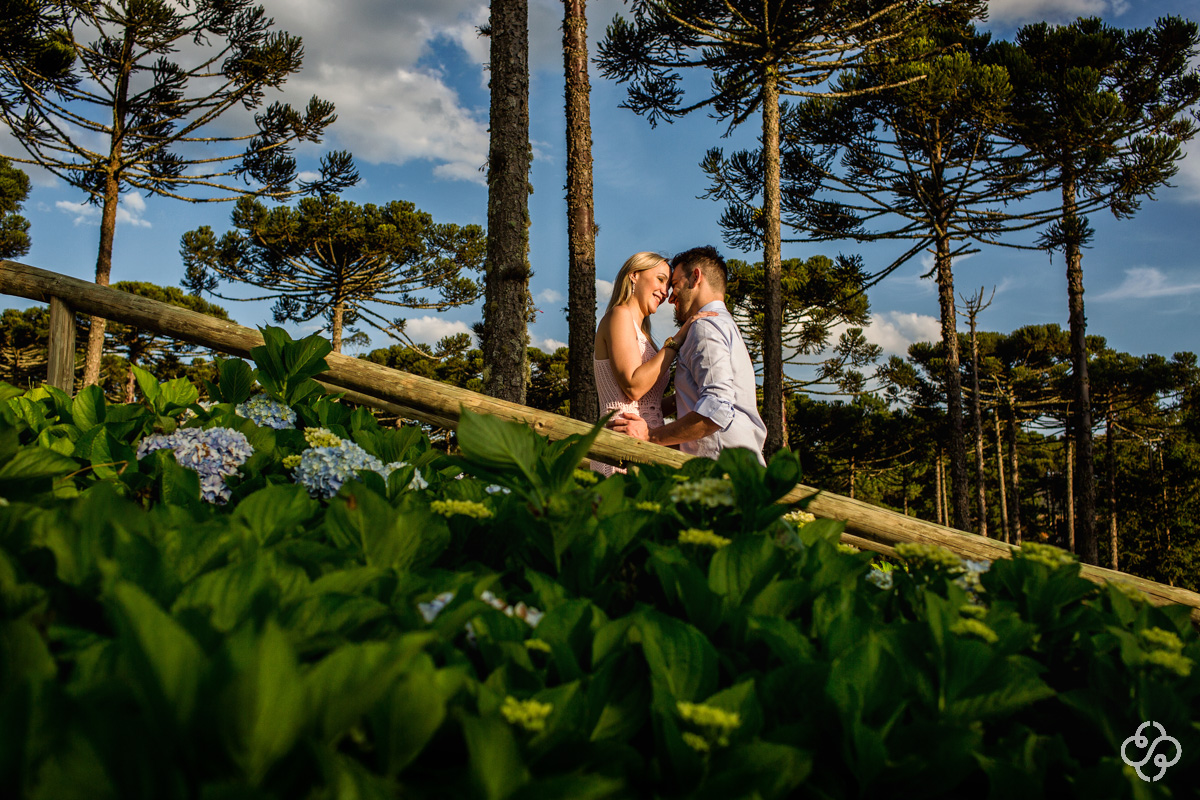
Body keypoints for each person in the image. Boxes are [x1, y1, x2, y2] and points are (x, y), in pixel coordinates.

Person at [610, 245, 767, 465]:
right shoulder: (725, 325)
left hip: (721, 470)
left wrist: (649, 436)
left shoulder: (705, 327)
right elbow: (696, 398)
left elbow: (716, 409)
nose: (670, 297)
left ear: (695, 277)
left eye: (674, 285)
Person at [591, 251, 716, 476]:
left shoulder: (646, 338)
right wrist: (677, 339)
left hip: (647, 450)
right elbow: (633, 386)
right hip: (620, 447)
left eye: (668, 284)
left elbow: (651, 403)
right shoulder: (619, 316)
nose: (664, 291)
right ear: (634, 276)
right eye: (660, 279)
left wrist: (692, 396)